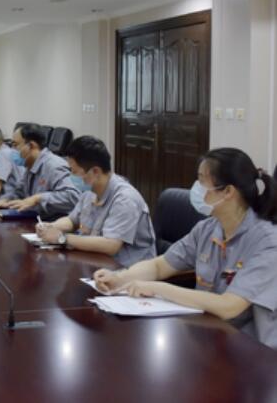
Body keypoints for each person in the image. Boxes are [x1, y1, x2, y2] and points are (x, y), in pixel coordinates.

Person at [94, 148, 277, 349]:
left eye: (202, 181)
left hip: (251, 350)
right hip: (208, 335)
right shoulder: (207, 229)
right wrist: (120, 278)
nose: (196, 188)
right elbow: (159, 266)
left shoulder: (267, 242)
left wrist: (158, 288)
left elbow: (229, 306)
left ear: (228, 192)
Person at [34, 136, 156, 266]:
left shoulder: (125, 199)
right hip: (96, 263)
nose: (71, 177)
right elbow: (73, 221)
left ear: (95, 171)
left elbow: (111, 245)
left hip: (128, 269)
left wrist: (62, 238)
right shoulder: (90, 190)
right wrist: (51, 227)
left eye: (74, 172)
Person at [0, 123, 79, 219]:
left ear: (31, 145)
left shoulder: (54, 165)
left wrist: (37, 198)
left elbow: (73, 197)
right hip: (36, 219)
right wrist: (4, 201)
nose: (13, 150)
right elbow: (19, 191)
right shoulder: (30, 165)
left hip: (55, 222)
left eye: (16, 145)